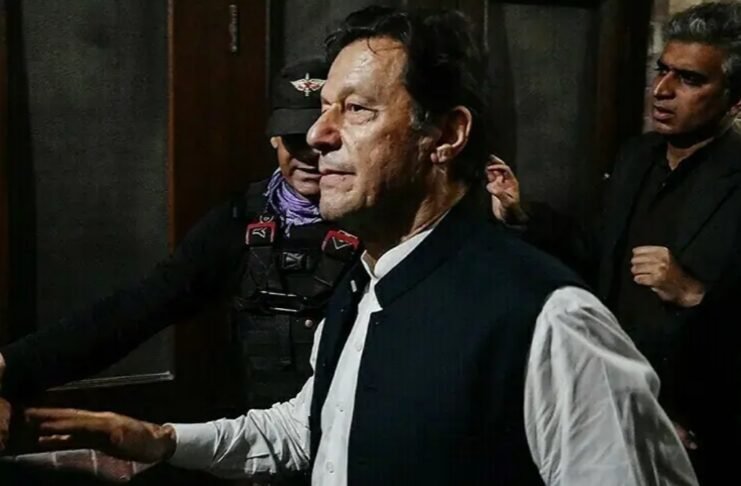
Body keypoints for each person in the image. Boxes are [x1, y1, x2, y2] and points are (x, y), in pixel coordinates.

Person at [21, 6, 697, 486]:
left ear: (445, 136)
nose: (319, 136)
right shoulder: (362, 284)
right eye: (322, 111)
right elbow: (311, 428)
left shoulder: (551, 321)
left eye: (357, 110)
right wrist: (160, 440)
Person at [0, 58, 359, 470]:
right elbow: (138, 308)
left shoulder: (376, 224)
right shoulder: (238, 221)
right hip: (251, 445)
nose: (312, 156)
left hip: (343, 440)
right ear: (274, 138)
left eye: (324, 142)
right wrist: (10, 365)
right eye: (296, 140)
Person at [487, 3, 741, 483]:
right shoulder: (636, 158)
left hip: (700, 431)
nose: (662, 90)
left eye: (689, 79)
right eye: (662, 71)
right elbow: (592, 250)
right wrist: (522, 213)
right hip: (612, 409)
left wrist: (695, 295)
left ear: (734, 99)